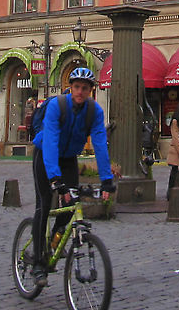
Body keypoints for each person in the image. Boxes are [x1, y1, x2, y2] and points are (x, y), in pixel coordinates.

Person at [31, 66, 114, 288]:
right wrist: (55, 179)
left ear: (90, 91)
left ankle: (55, 240)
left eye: (84, 88)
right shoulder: (58, 106)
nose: (80, 92)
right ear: (71, 87)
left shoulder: (94, 112)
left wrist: (107, 180)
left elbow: (100, 145)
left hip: (68, 158)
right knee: (44, 206)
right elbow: (49, 141)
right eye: (76, 87)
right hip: (45, 156)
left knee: (71, 205)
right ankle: (38, 263)